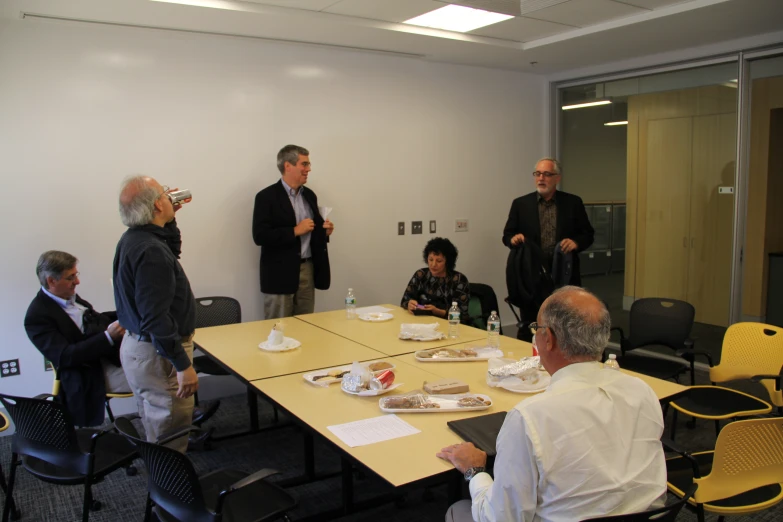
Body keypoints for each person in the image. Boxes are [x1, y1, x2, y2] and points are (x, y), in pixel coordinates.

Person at [438, 286, 667, 522]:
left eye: (536, 329)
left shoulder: (530, 416)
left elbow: (499, 518)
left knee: (458, 510)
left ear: (548, 339)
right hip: (651, 516)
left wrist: (475, 471)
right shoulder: (642, 391)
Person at [113, 176, 198, 453]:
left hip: (142, 348)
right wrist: (183, 365)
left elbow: (172, 252)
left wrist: (170, 220)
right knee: (171, 428)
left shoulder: (136, 239)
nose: (169, 194)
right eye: (163, 192)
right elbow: (155, 319)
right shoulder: (150, 251)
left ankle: (162, 485)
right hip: (158, 354)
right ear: (155, 206)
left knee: (157, 423)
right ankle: (172, 491)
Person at [24, 251, 129, 427]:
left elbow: (94, 319)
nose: (77, 282)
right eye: (71, 277)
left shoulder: (68, 297)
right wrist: (108, 337)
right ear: (51, 281)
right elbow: (65, 357)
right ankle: (160, 437)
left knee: (158, 362)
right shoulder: (37, 317)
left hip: (110, 357)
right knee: (158, 378)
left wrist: (125, 314)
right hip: (90, 374)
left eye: (75, 275)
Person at [252, 144, 334, 319]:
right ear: (287, 166)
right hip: (279, 273)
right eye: (304, 164)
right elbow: (260, 236)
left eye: (308, 164)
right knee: (279, 328)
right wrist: (295, 231)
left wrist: (324, 233)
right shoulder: (266, 197)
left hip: (308, 269)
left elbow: (312, 230)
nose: (308, 169)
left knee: (306, 325)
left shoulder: (309, 195)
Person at [502, 157, 594, 286]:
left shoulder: (573, 203)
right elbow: (507, 235)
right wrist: (513, 239)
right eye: (537, 174)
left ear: (557, 178)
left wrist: (576, 242)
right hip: (531, 272)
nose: (541, 178)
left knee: (564, 306)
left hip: (564, 270)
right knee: (533, 307)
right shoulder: (520, 204)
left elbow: (588, 234)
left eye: (547, 174)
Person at [401, 237, 471, 324]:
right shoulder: (420, 275)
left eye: (439, 261)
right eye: (430, 260)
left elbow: (463, 316)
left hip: (450, 326)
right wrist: (409, 304)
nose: (433, 264)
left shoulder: (459, 280)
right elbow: (404, 301)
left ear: (447, 262)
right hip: (422, 324)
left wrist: (438, 312)